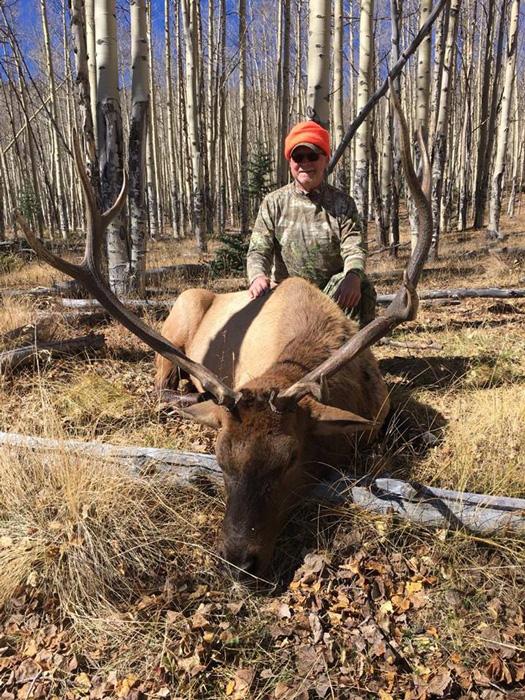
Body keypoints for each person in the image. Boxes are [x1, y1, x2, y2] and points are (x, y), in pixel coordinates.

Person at [246, 120, 376, 327]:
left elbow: (354, 248)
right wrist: (257, 277)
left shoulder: (342, 203)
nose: (305, 162)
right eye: (298, 157)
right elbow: (258, 250)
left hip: (332, 296)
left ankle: (353, 351)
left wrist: (353, 276)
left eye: (312, 156)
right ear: (290, 162)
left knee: (363, 287)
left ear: (325, 159)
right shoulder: (273, 203)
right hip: (286, 294)